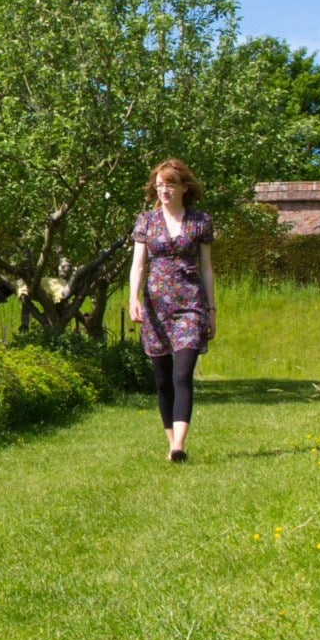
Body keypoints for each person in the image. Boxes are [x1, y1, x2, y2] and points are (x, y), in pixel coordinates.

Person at [125, 157, 216, 462]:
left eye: (170, 184)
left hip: (191, 304)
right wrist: (133, 298)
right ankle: (170, 443)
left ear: (183, 187)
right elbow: (138, 264)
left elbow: (206, 268)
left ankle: (179, 445)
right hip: (155, 307)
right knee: (162, 379)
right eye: (159, 185)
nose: (163, 190)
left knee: (182, 373)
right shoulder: (146, 221)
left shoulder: (200, 221)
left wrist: (212, 310)